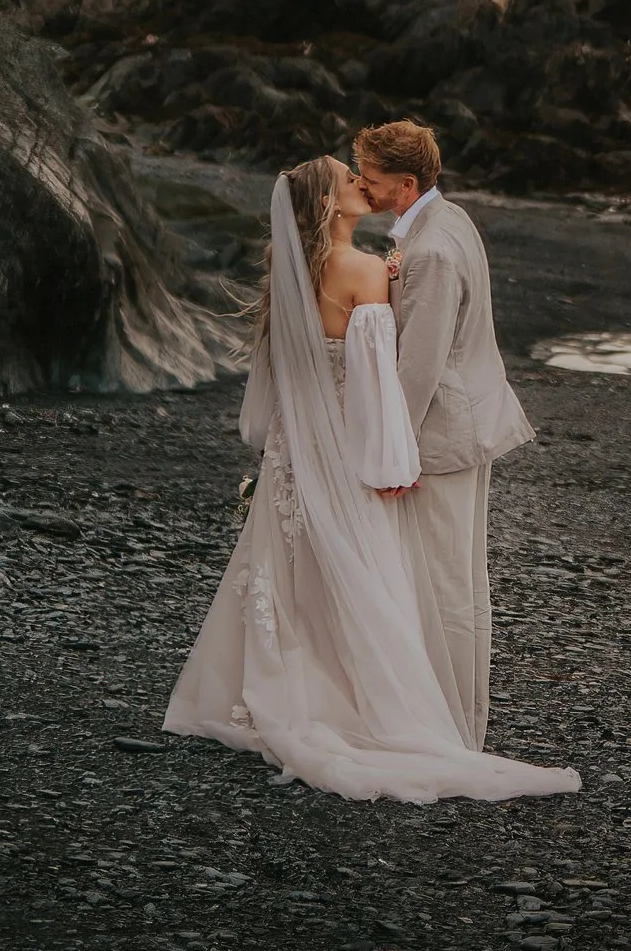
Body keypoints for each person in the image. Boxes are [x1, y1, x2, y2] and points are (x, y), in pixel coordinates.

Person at [164, 155, 579, 803]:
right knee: (362, 576)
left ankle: (279, 687)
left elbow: (281, 383)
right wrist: (393, 464)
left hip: (297, 448)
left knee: (290, 569)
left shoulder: (291, 276)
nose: (363, 185)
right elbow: (381, 384)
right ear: (330, 206)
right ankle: (361, 706)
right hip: (350, 451)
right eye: (349, 182)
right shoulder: (363, 271)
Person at [351, 118, 532, 751]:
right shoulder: (447, 218)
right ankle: (459, 721)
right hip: (470, 420)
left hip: (444, 435)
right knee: (460, 582)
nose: (361, 188)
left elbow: (418, 367)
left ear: (405, 183)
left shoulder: (428, 251)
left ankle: (456, 731)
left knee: (448, 587)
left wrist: (390, 454)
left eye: (370, 179)